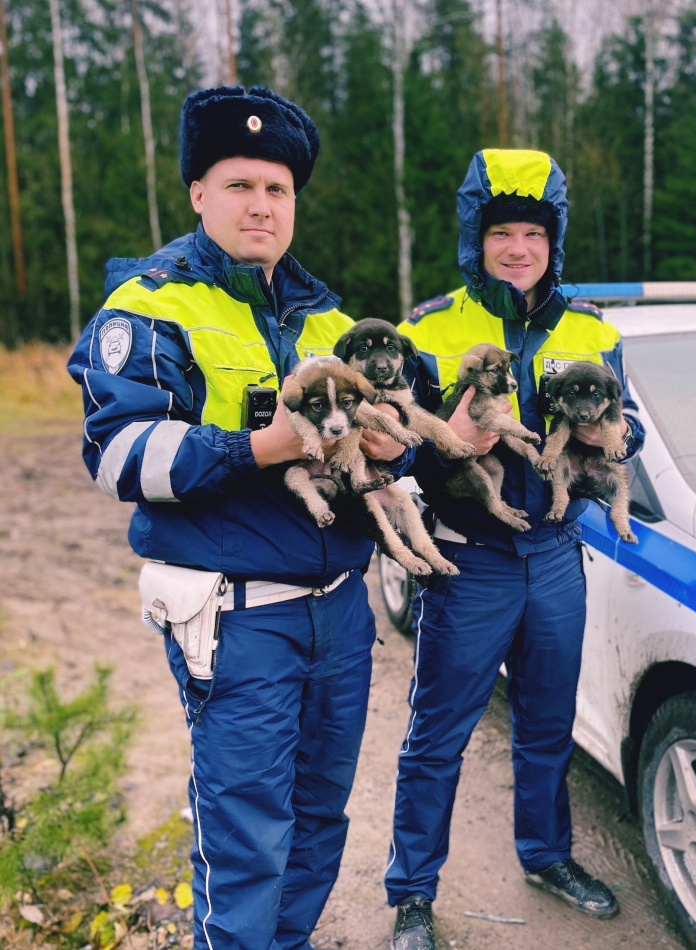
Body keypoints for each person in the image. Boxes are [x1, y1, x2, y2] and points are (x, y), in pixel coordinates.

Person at [67, 85, 410, 950]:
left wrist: (398, 451)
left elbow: (378, 451)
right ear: (197, 193)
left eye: (278, 189)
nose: (262, 205)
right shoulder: (151, 305)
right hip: (235, 611)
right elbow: (116, 457)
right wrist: (264, 447)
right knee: (248, 835)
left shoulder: (329, 318)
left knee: (320, 819)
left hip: (340, 605)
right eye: (240, 185)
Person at [385, 148, 646, 949]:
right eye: (502, 232)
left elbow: (623, 429)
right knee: (439, 733)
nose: (519, 248)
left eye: (534, 232)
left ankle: (546, 855)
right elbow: (393, 450)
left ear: (552, 240)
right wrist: (446, 442)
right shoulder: (428, 327)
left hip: (559, 558)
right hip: (471, 561)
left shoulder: (592, 328)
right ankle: (413, 895)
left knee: (546, 724)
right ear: (478, 237)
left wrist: (616, 434)